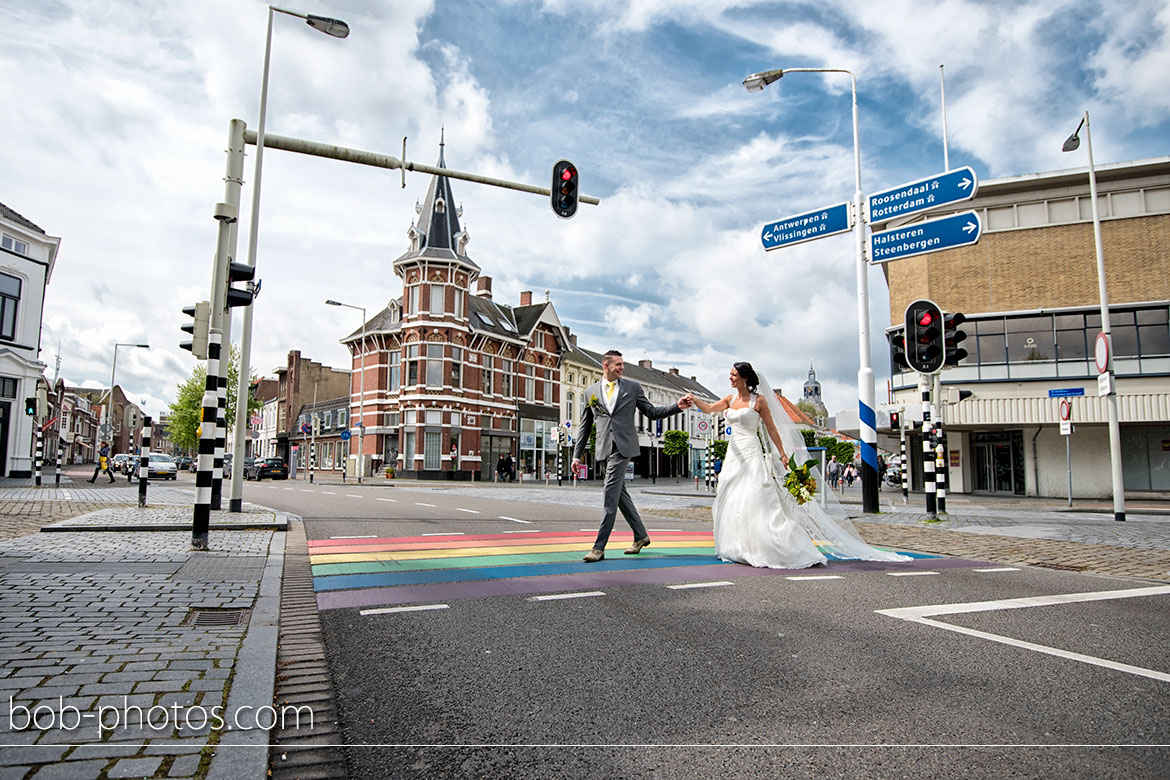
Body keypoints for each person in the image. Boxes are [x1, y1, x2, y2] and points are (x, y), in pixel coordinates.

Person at [685, 362, 910, 569]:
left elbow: (772, 429)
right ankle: (735, 545)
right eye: (730, 375)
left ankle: (766, 544)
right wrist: (692, 400)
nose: (730, 378)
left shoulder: (759, 401)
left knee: (755, 495)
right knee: (731, 494)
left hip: (752, 451)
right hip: (733, 454)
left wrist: (782, 453)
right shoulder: (728, 400)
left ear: (745, 378)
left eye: (734, 375)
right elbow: (708, 409)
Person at [572, 350, 692, 562]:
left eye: (622, 364)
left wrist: (677, 407)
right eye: (617, 364)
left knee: (610, 496)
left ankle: (598, 548)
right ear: (605, 366)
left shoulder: (632, 388)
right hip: (603, 449)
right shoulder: (590, 392)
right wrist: (576, 455)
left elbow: (652, 412)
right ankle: (641, 536)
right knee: (620, 497)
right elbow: (585, 425)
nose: (622, 368)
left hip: (623, 448)